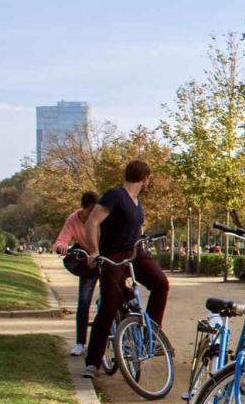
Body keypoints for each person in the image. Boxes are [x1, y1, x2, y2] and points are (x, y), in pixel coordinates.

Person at [82, 159, 169, 378]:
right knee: (109, 305)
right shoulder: (115, 195)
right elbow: (92, 222)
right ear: (145, 179)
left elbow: (136, 230)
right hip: (114, 254)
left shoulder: (138, 203)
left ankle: (150, 339)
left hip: (135, 252)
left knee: (161, 284)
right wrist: (94, 251)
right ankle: (93, 362)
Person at [52, 190, 100, 356]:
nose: (91, 216)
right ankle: (80, 343)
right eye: (89, 212)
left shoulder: (103, 217)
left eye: (95, 212)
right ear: (82, 208)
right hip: (89, 262)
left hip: (105, 257)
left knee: (117, 294)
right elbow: (62, 239)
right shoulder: (74, 219)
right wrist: (61, 247)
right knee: (84, 301)